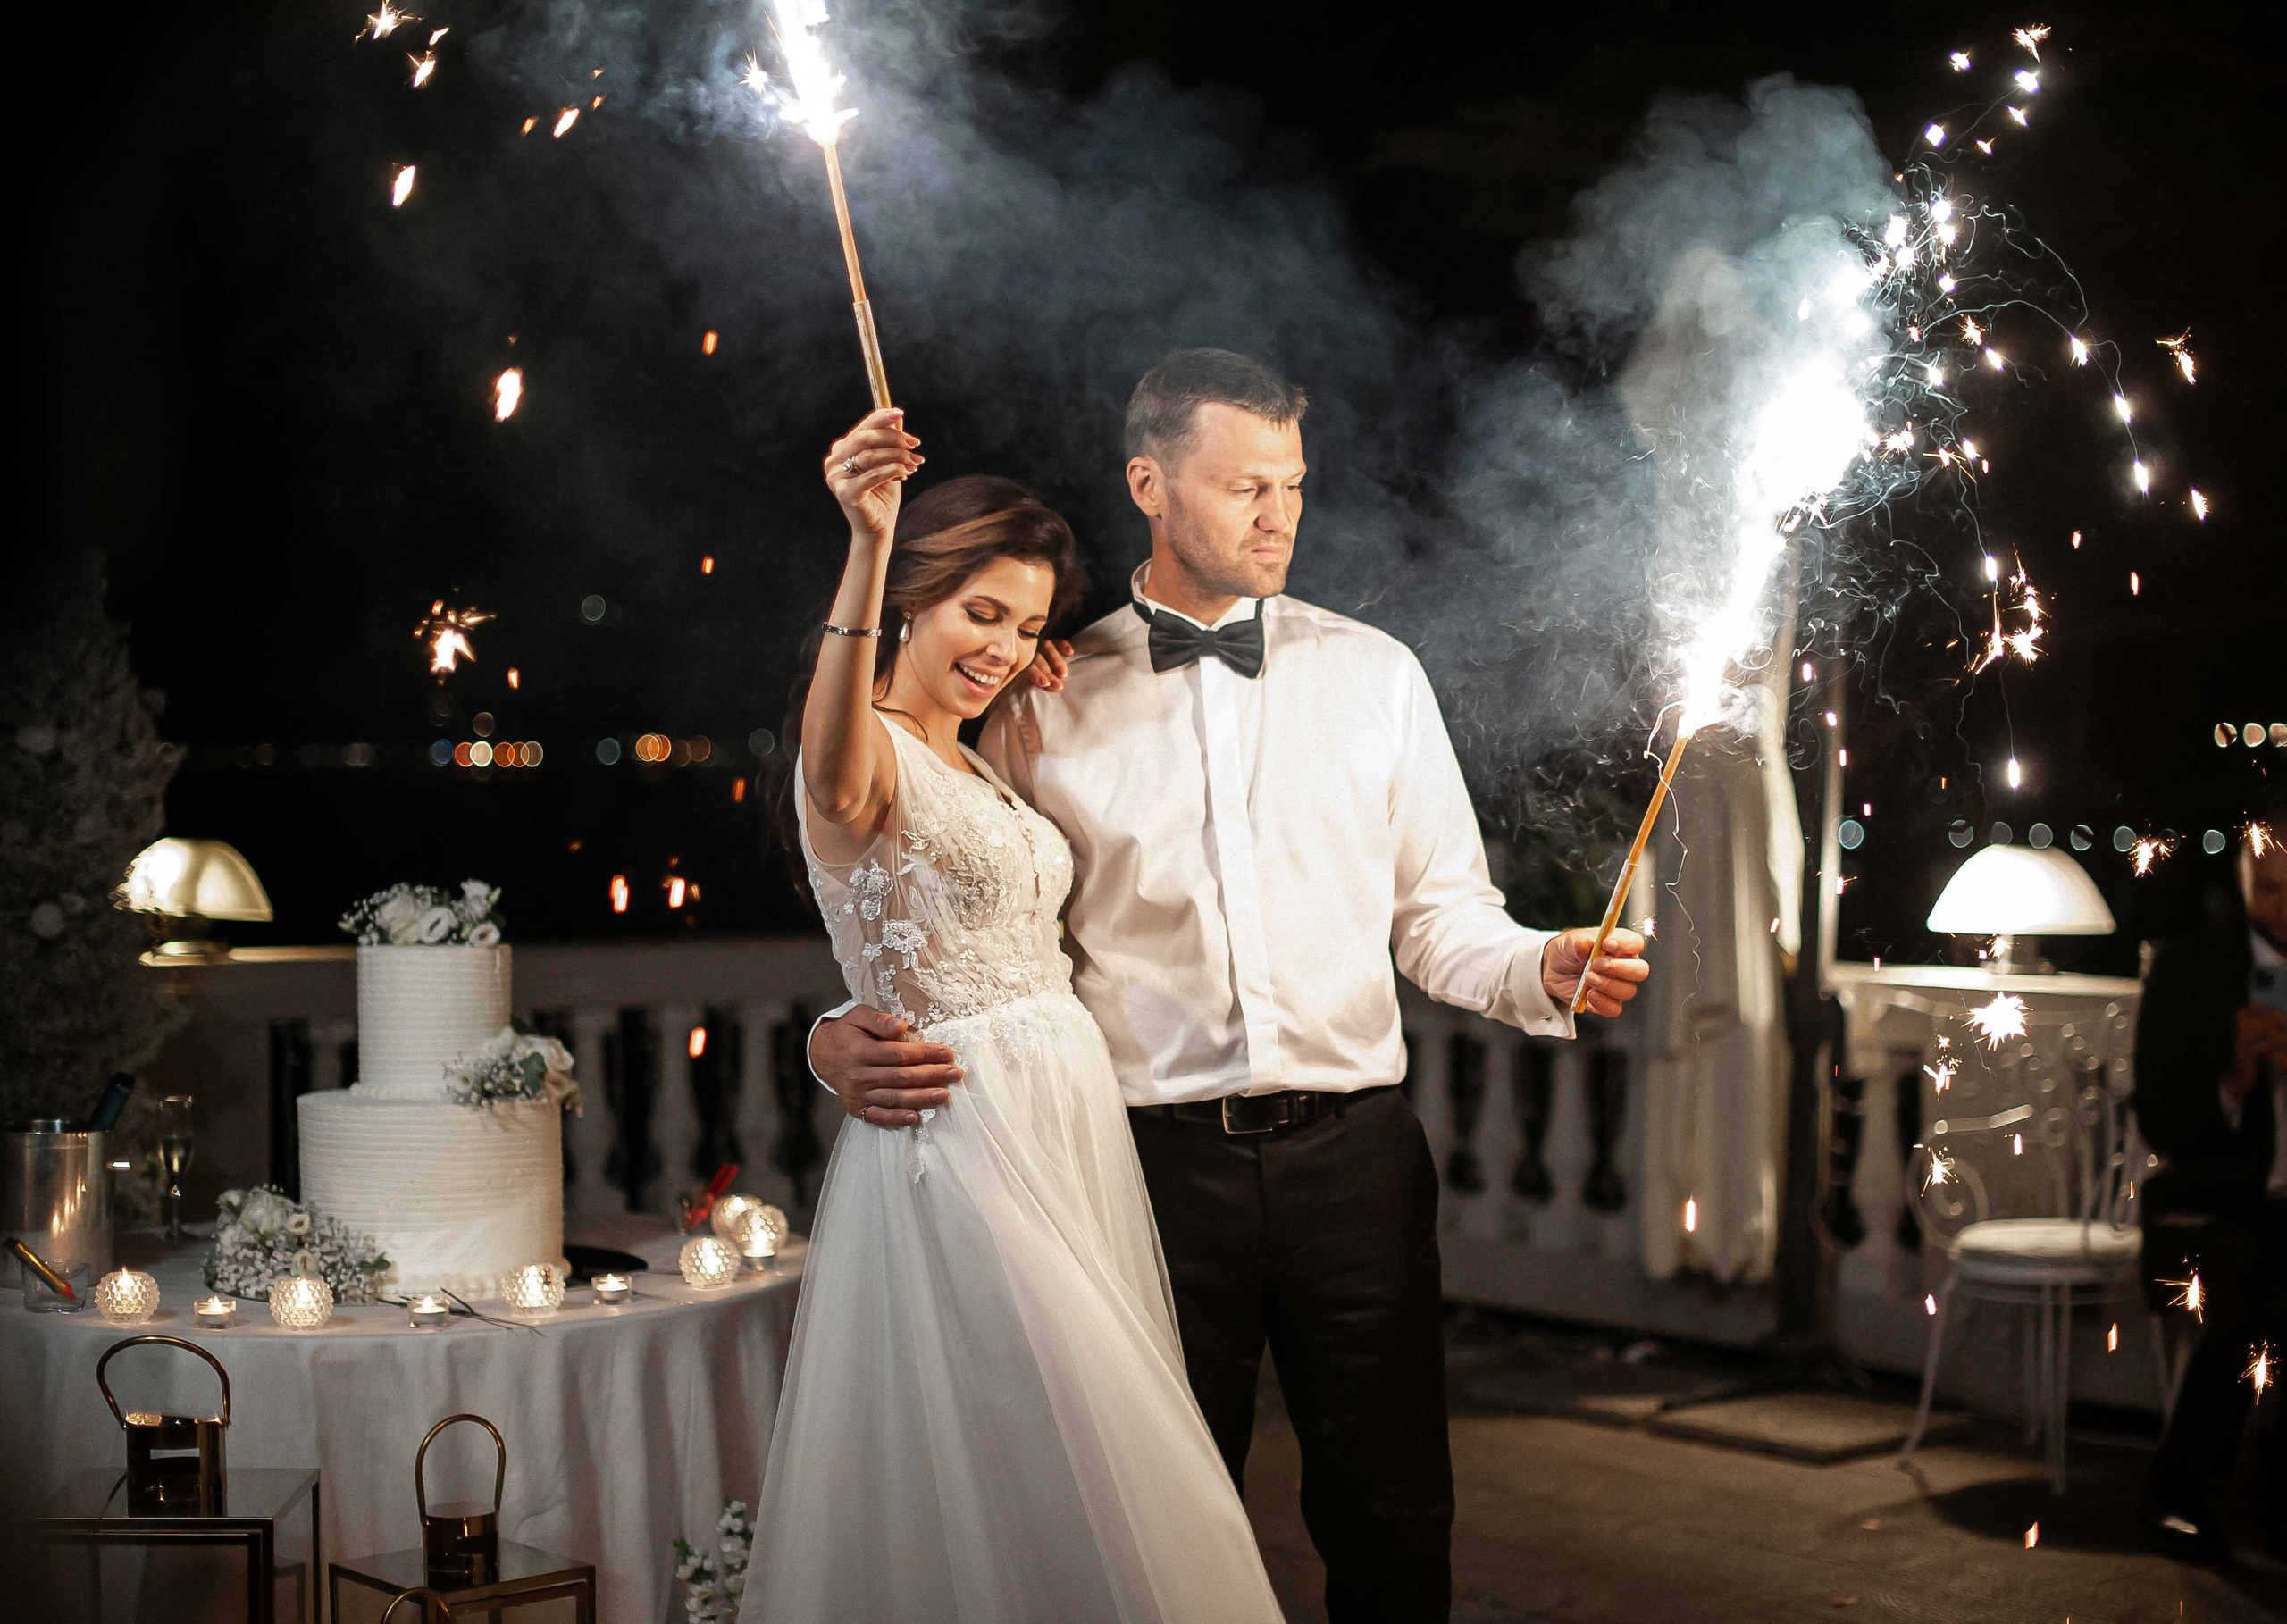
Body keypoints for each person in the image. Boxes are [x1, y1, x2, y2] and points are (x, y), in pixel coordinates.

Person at [808, 349, 1652, 1621]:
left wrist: (1536, 964)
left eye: (1294, 484)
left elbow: (1441, 917)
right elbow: (917, 866)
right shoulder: (1042, 688)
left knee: (1395, 1511)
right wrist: (834, 1034)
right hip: (1137, 1169)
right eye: (1246, 484)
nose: (1281, 514)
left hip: (1356, 1162)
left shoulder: (1378, 675)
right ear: (1150, 483)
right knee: (1145, 1524)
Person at [745, 408, 1286, 1623]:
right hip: (960, 1133)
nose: (1003, 645)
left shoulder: (980, 751)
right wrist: (867, 542)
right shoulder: (864, 755)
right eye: (979, 612)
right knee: (1121, 1456)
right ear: (912, 598)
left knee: (1040, 1474)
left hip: (1062, 1126)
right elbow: (838, 787)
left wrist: (1020, 672)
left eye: (1029, 624)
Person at [2134, 828, 2287, 1562]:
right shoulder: (2192, 970)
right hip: (2210, 1198)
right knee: (2255, 1284)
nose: (2286, 910)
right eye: (2271, 889)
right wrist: (2233, 1083)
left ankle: (2268, 1489)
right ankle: (2182, 1490)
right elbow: (2161, 1119)